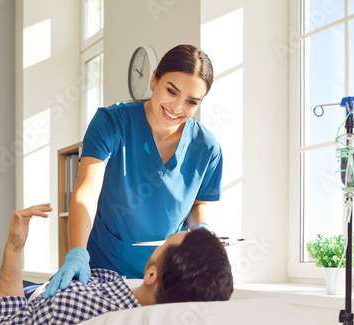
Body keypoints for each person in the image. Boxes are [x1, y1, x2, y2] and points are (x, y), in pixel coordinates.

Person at [46, 44, 223, 297]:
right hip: (101, 270)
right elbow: (87, 193)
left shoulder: (207, 147)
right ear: (153, 79)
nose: (176, 108)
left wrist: (202, 229)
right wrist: (77, 252)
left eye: (191, 102)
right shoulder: (111, 123)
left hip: (163, 278)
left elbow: (197, 204)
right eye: (171, 91)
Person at [0, 204, 233, 324]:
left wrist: (14, 246)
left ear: (150, 275)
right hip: (51, 289)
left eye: (165, 243)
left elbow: (10, 319)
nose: (160, 242)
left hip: (30, 298)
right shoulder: (147, 300)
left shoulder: (75, 305)